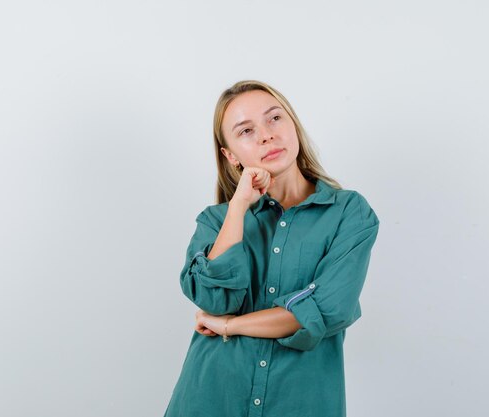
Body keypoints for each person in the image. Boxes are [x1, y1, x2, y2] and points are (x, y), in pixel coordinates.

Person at [163, 80, 380, 417]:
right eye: (246, 130)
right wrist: (237, 207)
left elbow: (326, 309)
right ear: (230, 155)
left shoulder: (349, 213)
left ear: (293, 124)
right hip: (209, 399)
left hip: (300, 404)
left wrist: (230, 326)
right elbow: (212, 299)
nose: (266, 135)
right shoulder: (215, 221)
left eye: (274, 118)